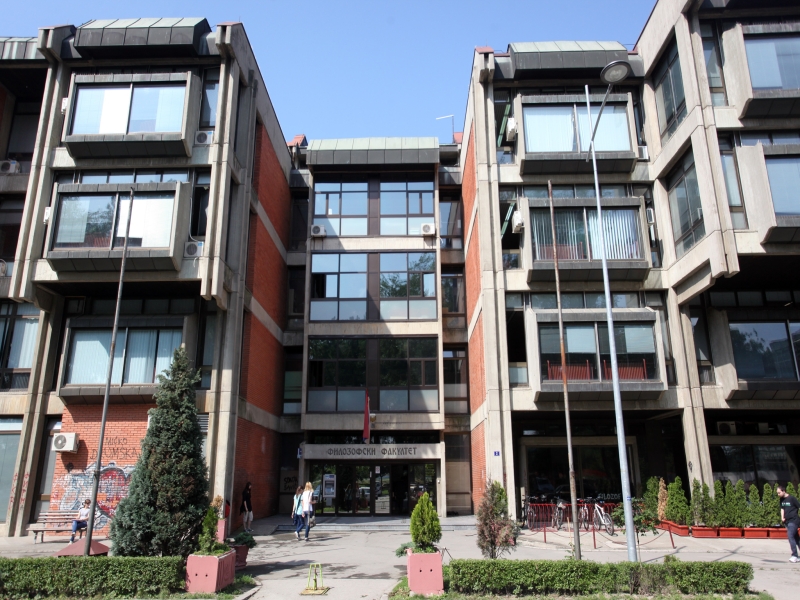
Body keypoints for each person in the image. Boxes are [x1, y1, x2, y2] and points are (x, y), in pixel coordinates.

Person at [777, 484, 800, 562]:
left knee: (790, 536)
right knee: (796, 538)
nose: (778, 494)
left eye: (779, 493)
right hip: (787, 521)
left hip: (794, 520)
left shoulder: (792, 498)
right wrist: (782, 517)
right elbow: (782, 509)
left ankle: (794, 555)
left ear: (783, 491)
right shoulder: (781, 499)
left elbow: (799, 506)